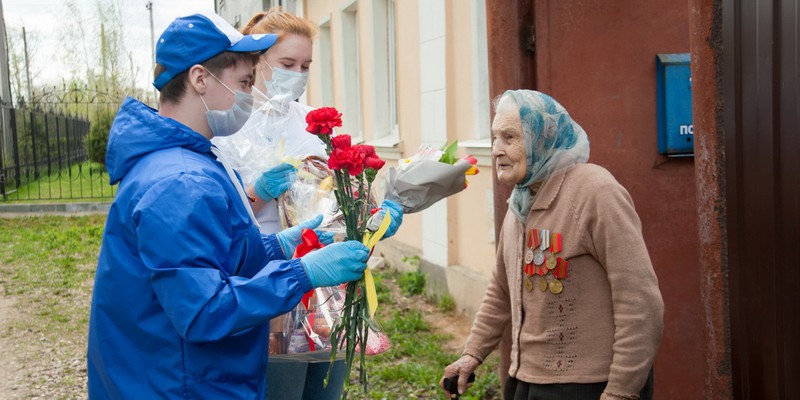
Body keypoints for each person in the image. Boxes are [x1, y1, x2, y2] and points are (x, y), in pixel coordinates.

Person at [87, 12, 371, 399]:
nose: (249, 95)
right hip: (179, 384)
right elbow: (204, 311)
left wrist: (280, 245)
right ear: (200, 78)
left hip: (177, 374)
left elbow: (212, 257)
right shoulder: (180, 181)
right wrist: (301, 274)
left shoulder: (191, 161)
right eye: (244, 82)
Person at [440, 90, 664, 400]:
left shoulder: (595, 192)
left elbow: (639, 300)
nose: (496, 150)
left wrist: (622, 391)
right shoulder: (521, 202)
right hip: (526, 381)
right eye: (495, 138)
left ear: (542, 137)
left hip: (591, 386)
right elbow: (501, 289)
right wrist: (472, 354)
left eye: (509, 137)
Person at [212, 8, 403, 237]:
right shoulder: (228, 127)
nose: (298, 74)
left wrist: (370, 217)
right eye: (288, 64)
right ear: (257, 60)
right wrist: (259, 192)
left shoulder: (313, 122)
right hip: (260, 261)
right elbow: (221, 217)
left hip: (318, 259)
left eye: (305, 66)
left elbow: (334, 194)